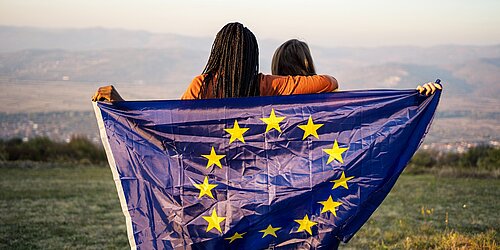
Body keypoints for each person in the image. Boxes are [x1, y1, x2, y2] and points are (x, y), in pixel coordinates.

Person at [92, 22, 338, 102]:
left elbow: (169, 125)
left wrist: (122, 105)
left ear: (217, 52)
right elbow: (329, 82)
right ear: (252, 56)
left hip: (211, 177)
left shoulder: (201, 86)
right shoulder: (267, 85)